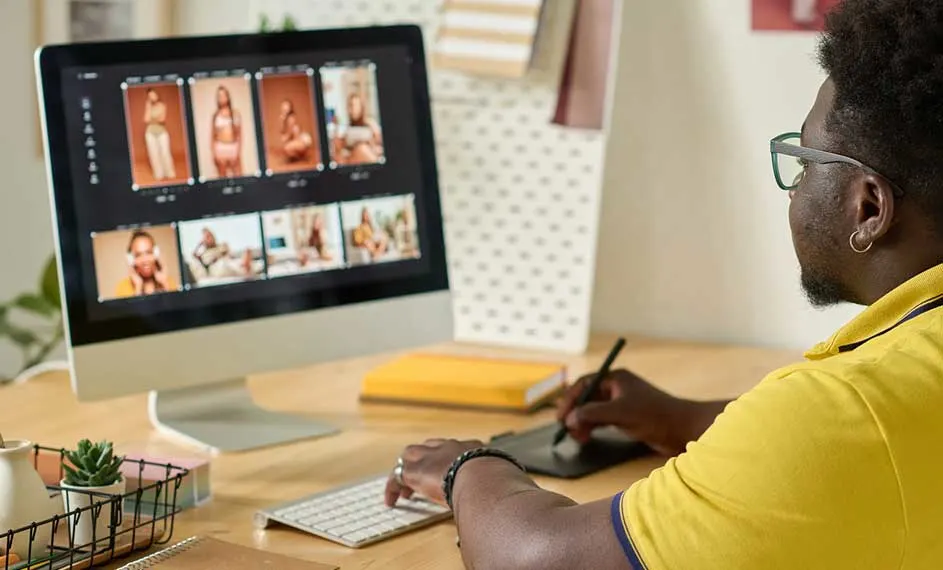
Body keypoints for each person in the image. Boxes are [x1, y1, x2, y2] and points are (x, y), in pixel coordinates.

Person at [384, 1, 943, 568]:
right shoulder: (899, 392)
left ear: (869, 207)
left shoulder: (845, 412)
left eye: (804, 162)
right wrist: (679, 420)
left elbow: (532, 560)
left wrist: (472, 468)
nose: (794, 188)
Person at [114, 231, 176, 298]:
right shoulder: (122, 287)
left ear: (156, 254)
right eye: (138, 255)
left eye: (149, 252)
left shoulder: (168, 282)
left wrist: (165, 284)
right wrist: (138, 287)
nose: (145, 260)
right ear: (131, 259)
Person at [334, 91, 383, 165]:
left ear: (361, 107)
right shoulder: (346, 129)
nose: (353, 109)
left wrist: (373, 146)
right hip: (353, 159)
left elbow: (381, 146)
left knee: (362, 148)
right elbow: (339, 151)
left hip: (369, 155)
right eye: (350, 106)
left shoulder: (370, 124)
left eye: (355, 105)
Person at [142, 88, 176, 181]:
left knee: (165, 152)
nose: (152, 97)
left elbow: (162, 120)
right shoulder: (148, 106)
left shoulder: (162, 105)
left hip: (162, 132)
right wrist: (148, 108)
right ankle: (158, 174)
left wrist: (152, 119)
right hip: (150, 133)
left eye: (153, 95)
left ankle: (169, 172)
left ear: (157, 95)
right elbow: (145, 120)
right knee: (153, 154)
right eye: (150, 96)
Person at [210, 86, 243, 178]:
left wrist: (238, 152)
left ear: (228, 97)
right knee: (222, 177)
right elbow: (212, 136)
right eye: (219, 96)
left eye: (223, 95)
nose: (221, 98)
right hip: (220, 148)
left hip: (233, 147)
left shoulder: (235, 113)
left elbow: (239, 135)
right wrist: (214, 154)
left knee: (238, 176)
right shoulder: (215, 115)